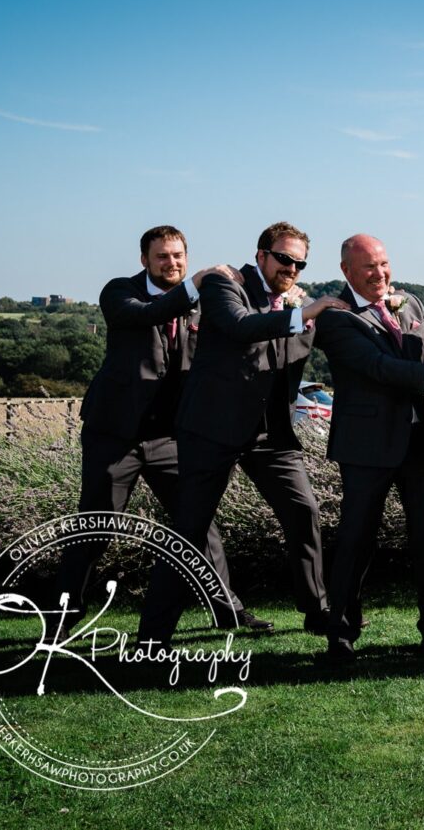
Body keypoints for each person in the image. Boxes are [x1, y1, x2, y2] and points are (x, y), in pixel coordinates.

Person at [138, 221, 349, 645]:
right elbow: (239, 327)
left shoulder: (300, 303)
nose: (291, 268)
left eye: (299, 263)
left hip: (271, 436)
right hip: (211, 430)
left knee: (303, 511)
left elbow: (346, 341)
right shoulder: (224, 284)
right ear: (261, 255)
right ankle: (152, 636)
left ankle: (316, 610)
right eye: (284, 258)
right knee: (190, 528)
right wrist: (300, 313)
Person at [56, 226, 268, 629]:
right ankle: (62, 617)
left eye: (178, 256)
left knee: (199, 524)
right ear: (144, 260)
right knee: (96, 528)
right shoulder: (120, 292)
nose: (172, 263)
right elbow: (149, 314)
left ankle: (229, 612)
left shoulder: (205, 303)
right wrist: (196, 284)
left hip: (171, 435)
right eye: (162, 257)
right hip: (115, 435)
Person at [313, 234, 424, 664]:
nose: (380, 274)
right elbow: (379, 368)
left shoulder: (408, 302)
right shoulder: (336, 318)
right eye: (369, 267)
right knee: (356, 541)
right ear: (346, 272)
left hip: (422, 441)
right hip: (365, 448)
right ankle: (340, 633)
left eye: (384, 264)